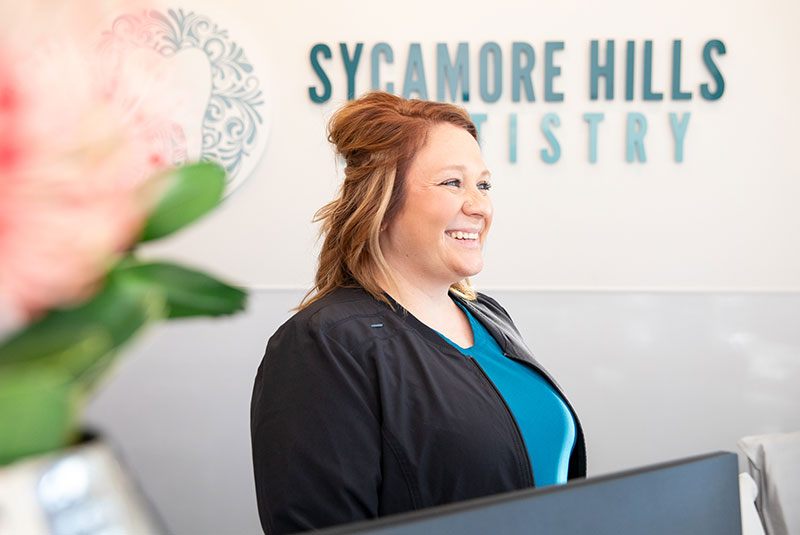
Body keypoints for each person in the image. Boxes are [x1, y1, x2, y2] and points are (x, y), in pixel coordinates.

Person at [250, 92, 586, 535]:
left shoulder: (489, 317)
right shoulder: (324, 344)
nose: (479, 206)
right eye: (452, 183)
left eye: (483, 185)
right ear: (382, 201)